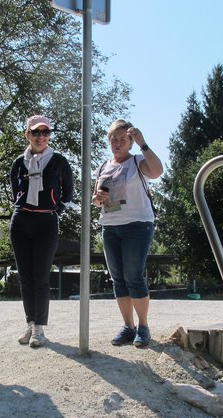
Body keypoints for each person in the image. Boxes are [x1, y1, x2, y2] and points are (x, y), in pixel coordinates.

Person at [92, 119, 163, 348]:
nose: (118, 143)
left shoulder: (137, 160)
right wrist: (97, 199)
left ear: (130, 142)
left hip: (137, 225)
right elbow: (95, 199)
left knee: (133, 276)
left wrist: (143, 143)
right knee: (118, 279)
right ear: (108, 141)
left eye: (123, 139)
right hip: (110, 226)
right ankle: (128, 327)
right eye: (114, 139)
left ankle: (143, 327)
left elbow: (157, 171)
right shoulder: (103, 167)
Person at [9, 115, 74, 348]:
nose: (41, 137)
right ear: (27, 134)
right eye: (36, 132)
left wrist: (55, 207)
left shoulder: (58, 161)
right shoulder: (19, 162)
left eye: (45, 132)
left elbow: (68, 193)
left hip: (46, 222)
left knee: (40, 277)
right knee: (25, 277)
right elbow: (14, 191)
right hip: (21, 221)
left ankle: (39, 328)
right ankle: (29, 323)